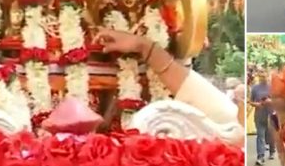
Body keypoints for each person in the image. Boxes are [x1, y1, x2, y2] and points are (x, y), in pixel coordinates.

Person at [93, 29, 242, 144]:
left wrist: (145, 47)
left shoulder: (234, 138)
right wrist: (144, 46)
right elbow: (194, 89)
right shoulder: (232, 125)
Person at [251, 71, 275, 166]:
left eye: (265, 76)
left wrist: (270, 101)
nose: (263, 78)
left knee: (270, 135)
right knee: (260, 136)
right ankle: (260, 157)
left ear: (268, 76)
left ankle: (272, 150)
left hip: (270, 115)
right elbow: (251, 101)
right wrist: (255, 104)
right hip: (259, 115)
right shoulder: (255, 88)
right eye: (261, 76)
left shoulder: (273, 88)